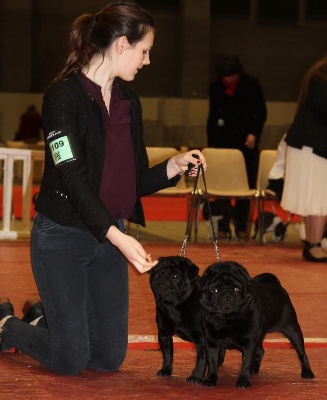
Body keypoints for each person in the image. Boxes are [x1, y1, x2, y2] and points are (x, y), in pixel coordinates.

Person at [0, 1, 206, 375]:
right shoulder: (61, 96)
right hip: (62, 237)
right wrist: (120, 238)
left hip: (109, 239)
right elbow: (72, 179)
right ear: (121, 45)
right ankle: (7, 326)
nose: (147, 61)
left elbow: (134, 180)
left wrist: (174, 167)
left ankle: (41, 316)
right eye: (144, 51)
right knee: (71, 360)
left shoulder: (130, 102)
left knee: (108, 358)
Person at [206, 54, 267, 239]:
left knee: (245, 185)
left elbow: (262, 113)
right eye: (224, 77)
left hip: (245, 143)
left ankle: (241, 225)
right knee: (222, 187)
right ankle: (223, 225)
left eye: (230, 76)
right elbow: (212, 116)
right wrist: (211, 146)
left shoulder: (251, 84)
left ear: (237, 72)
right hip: (222, 143)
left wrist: (254, 134)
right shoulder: (216, 87)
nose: (227, 80)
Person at [281, 55, 327, 262]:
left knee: (314, 196)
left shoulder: (318, 73)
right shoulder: (322, 76)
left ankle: (312, 242)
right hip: (314, 143)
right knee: (320, 195)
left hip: (309, 143)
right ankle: (315, 244)